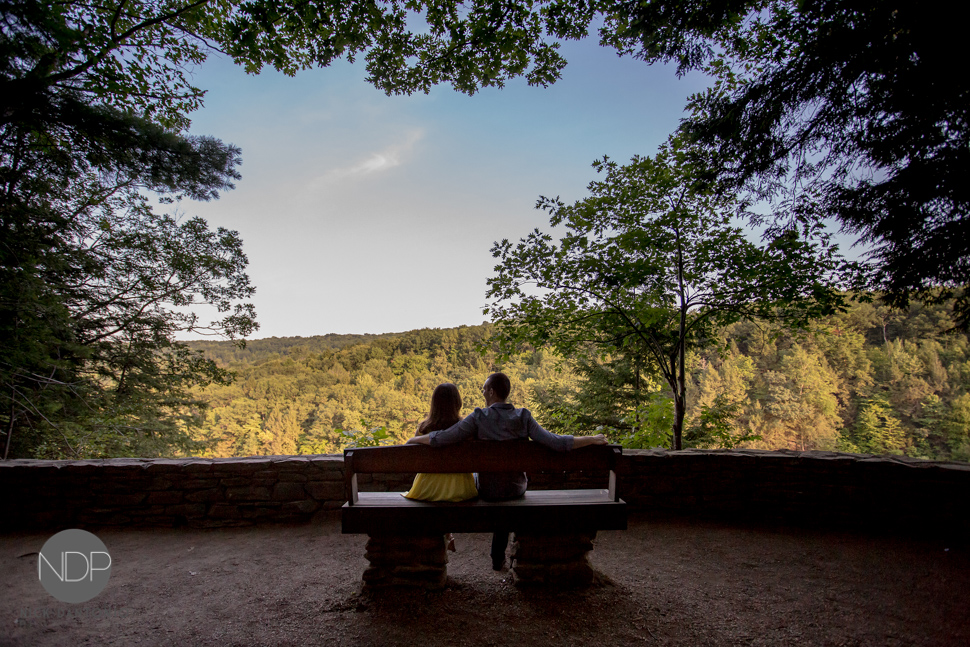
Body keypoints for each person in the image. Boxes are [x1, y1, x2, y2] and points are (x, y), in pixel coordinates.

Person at [407, 372, 607, 570]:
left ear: (492, 392)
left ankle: (495, 556)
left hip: (487, 490)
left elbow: (443, 438)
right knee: (505, 485)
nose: (483, 392)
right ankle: (499, 556)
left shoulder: (478, 417)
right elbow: (555, 442)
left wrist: (415, 439)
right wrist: (590, 439)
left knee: (492, 482)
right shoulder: (524, 417)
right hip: (516, 488)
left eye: (484, 389)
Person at [402, 382, 478, 551]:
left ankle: (445, 536)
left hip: (426, 489)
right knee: (447, 488)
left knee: (438, 489)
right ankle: (447, 534)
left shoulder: (424, 428)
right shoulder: (466, 428)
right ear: (457, 402)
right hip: (461, 489)